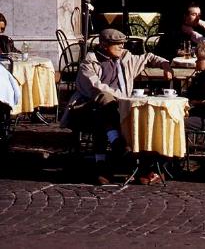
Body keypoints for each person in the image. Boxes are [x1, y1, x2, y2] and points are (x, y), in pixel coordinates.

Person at [61, 28, 174, 185]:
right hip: (86, 108)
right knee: (104, 100)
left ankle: (115, 161)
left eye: (122, 44)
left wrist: (165, 65)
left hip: (119, 110)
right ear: (104, 45)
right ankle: (122, 159)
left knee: (141, 114)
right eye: (117, 44)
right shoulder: (89, 63)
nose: (122, 47)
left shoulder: (126, 59)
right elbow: (96, 87)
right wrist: (121, 98)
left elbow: (149, 57)